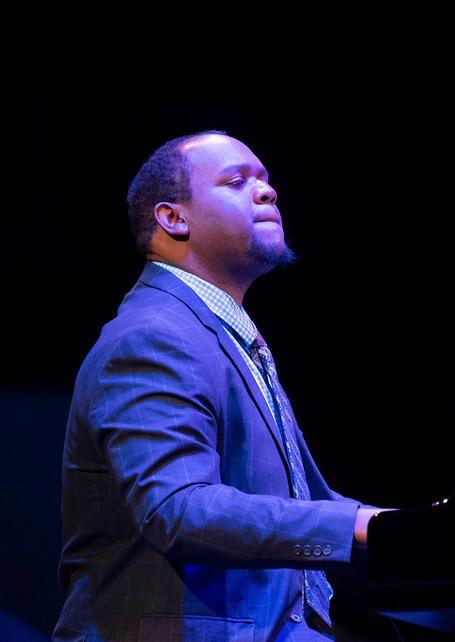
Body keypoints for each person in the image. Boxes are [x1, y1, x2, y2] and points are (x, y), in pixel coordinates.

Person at [54, 131, 389, 641]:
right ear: (173, 218)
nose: (267, 191)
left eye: (266, 180)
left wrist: (402, 530)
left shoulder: (220, 333)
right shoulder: (153, 335)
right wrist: (358, 528)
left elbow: (302, 499)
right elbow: (179, 509)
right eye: (237, 181)